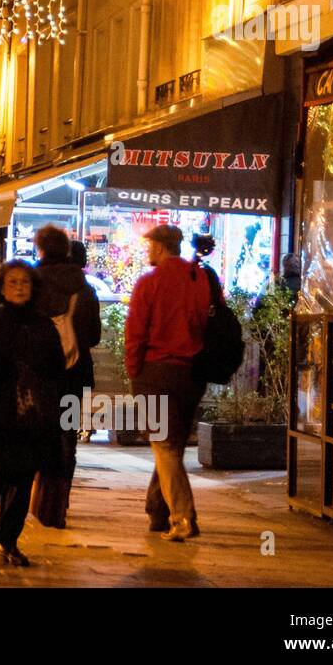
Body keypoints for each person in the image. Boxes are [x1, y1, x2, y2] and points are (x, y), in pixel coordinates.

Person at [0, 259, 66, 566]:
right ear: (1, 288)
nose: (19, 287)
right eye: (13, 282)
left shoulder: (44, 327)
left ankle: (8, 540)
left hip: (31, 419)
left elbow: (57, 373)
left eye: (24, 282)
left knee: (21, 485)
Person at [125, 224, 211, 542]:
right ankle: (157, 510)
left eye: (149, 246)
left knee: (165, 447)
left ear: (161, 248)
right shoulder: (198, 278)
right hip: (190, 373)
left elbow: (136, 331)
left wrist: (134, 370)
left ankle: (183, 518)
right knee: (171, 448)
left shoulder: (150, 282)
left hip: (155, 374)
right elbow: (204, 321)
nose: (147, 251)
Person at [30, 225, 101, 528]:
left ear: (41, 249)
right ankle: (59, 504)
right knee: (66, 438)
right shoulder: (84, 288)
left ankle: (38, 499)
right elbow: (94, 336)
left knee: (38, 435)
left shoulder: (30, 284)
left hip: (38, 377)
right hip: (73, 375)